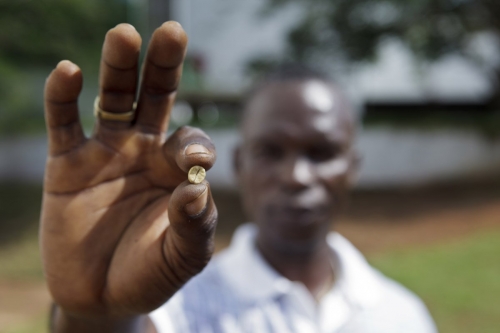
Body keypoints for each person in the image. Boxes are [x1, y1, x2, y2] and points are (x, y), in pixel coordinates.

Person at [41, 22, 437, 332]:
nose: (297, 177)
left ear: (353, 166)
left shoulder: (402, 316)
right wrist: (96, 320)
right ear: (238, 164)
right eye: (270, 151)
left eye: (322, 153)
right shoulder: (177, 306)